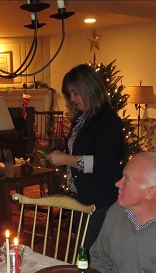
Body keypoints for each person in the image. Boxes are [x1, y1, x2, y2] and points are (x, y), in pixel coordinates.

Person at [46, 63, 124, 251]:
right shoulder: (83, 118)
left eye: (76, 93)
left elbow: (105, 163)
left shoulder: (107, 120)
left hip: (99, 200)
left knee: (89, 253)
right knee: (83, 250)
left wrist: (66, 159)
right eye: (69, 94)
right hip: (83, 198)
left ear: (89, 89)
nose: (72, 99)